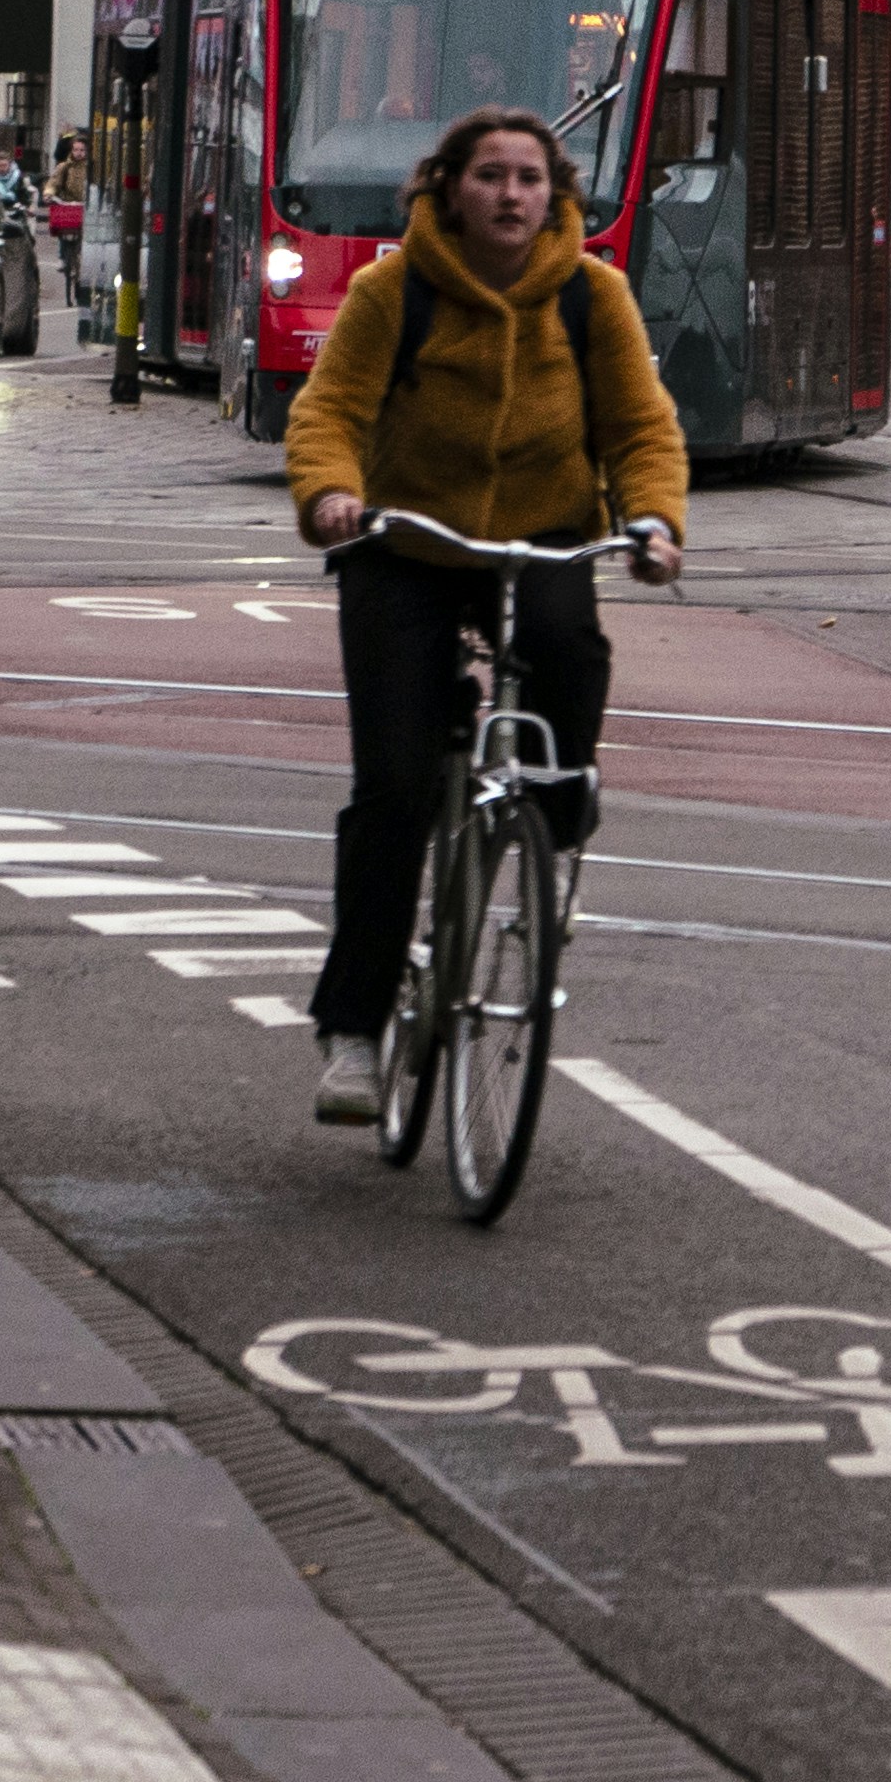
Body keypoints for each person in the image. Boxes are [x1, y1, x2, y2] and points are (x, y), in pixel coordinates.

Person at [278, 105, 692, 1127]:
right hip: (405, 544)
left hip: (543, 532)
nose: (511, 195)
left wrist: (651, 522)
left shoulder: (594, 298)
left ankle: (552, 831)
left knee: (567, 646)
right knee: (396, 791)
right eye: (490, 176)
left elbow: (642, 425)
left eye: (529, 178)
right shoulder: (393, 291)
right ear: (448, 190)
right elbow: (328, 411)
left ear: (555, 196)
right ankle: (355, 1030)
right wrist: (330, 496)